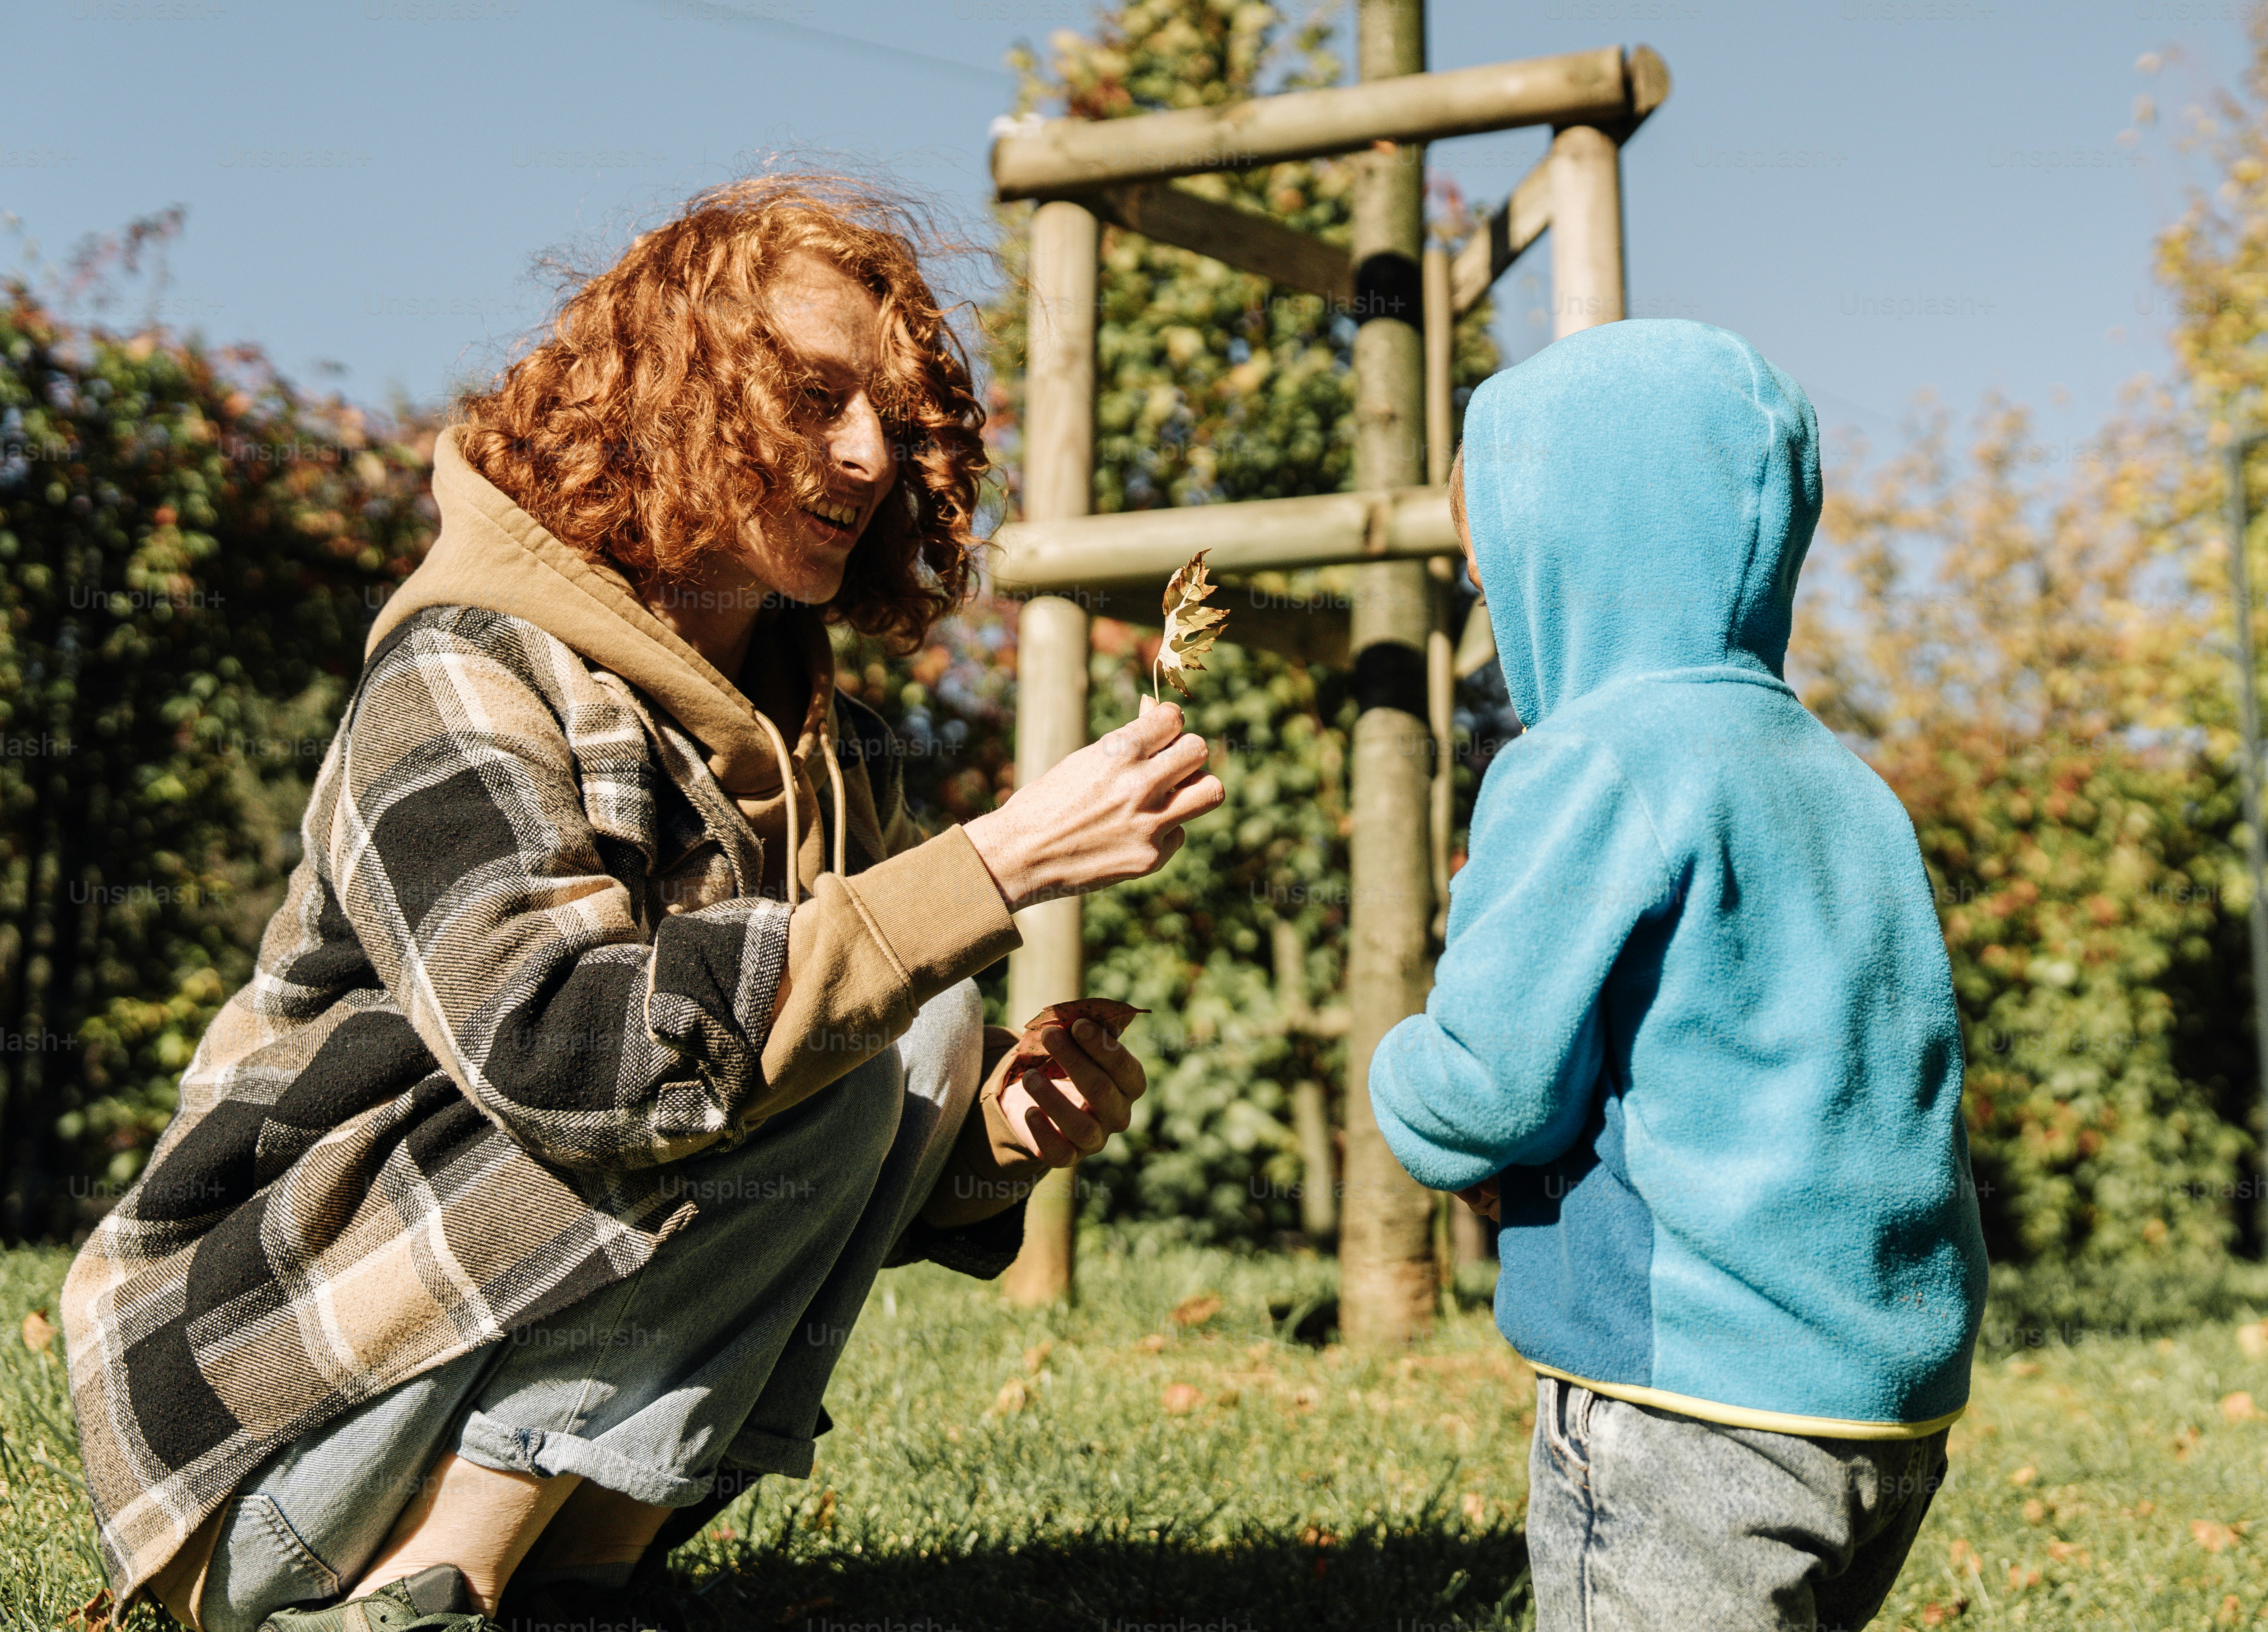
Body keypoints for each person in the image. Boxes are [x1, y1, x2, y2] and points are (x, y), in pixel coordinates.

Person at [59, 176, 1223, 1632]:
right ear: (670, 393)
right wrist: (989, 868)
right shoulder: (464, 672)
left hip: (470, 1394)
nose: (866, 455)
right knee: (829, 1005)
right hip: (268, 1441)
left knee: (916, 1026)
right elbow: (566, 1054)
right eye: (813, 397)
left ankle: (574, 1584)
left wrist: (991, 1132)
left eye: (893, 419)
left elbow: (802, 1183)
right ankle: (438, 1583)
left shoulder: (829, 747)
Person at [1368, 318, 1987, 1632]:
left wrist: (1399, 1078)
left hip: (1686, 1401)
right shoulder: (1849, 784)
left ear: (1570, 561)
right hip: (1882, 1399)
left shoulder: (1590, 760)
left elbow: (1492, 1088)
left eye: (1498, 583)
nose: (1498, 625)